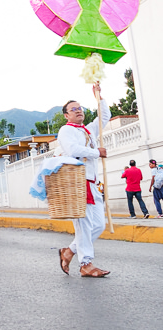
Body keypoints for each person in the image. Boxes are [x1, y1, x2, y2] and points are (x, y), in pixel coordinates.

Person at [58, 85, 112, 278]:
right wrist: (96, 152)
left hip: (93, 184)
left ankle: (69, 251)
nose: (79, 110)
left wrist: (99, 97)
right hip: (76, 183)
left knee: (98, 225)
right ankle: (86, 264)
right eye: (74, 109)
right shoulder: (66, 130)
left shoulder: (88, 130)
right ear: (66, 115)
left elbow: (104, 117)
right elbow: (73, 150)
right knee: (83, 226)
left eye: (80, 107)